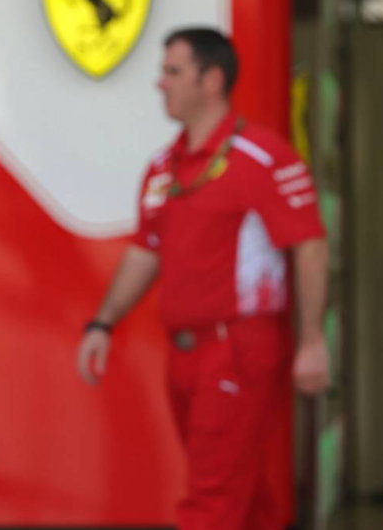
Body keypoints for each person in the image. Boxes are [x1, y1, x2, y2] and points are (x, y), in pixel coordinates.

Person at [75, 27, 331, 530]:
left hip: (238, 348)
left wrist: (312, 342)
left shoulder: (262, 156)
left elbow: (310, 245)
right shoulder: (163, 166)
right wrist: (102, 323)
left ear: (211, 80)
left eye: (173, 72)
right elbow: (146, 251)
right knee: (244, 497)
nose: (160, 83)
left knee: (210, 502)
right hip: (186, 354)